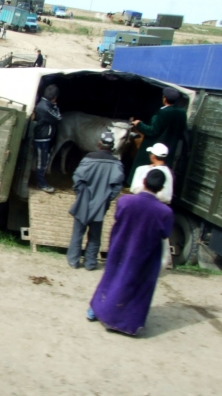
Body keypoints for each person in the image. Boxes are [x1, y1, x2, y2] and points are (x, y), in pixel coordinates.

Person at [87, 169, 174, 335]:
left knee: (110, 279)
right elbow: (164, 233)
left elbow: (118, 218)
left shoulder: (124, 201)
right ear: (161, 188)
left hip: (120, 248)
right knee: (137, 287)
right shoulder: (165, 212)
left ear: (143, 182)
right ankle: (128, 324)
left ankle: (96, 311)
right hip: (144, 255)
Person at [67, 131, 125, 270]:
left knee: (78, 233)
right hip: (100, 204)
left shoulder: (88, 159)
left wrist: (80, 194)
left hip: (84, 201)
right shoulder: (116, 164)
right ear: (112, 147)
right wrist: (107, 198)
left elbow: (77, 178)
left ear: (99, 144)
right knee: (94, 235)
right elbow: (117, 185)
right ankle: (90, 263)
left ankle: (74, 261)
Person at [129, 87, 187, 185]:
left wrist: (139, 124)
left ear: (164, 98)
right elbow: (182, 130)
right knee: (162, 169)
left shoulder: (162, 113)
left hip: (154, 145)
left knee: (146, 168)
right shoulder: (182, 113)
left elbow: (153, 131)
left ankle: (140, 185)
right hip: (170, 147)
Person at [32, 84, 61, 193]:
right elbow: (58, 118)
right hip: (42, 139)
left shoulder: (43, 105)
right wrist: (55, 106)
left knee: (42, 161)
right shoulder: (45, 108)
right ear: (54, 97)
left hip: (44, 138)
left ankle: (41, 182)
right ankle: (41, 184)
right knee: (42, 162)